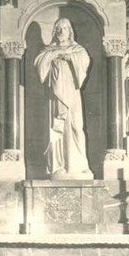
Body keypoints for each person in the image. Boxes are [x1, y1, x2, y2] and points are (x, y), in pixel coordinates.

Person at [33, 18, 93, 179]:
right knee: (56, 129)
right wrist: (55, 53)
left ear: (70, 31)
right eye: (58, 28)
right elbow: (39, 64)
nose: (61, 31)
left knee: (75, 126)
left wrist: (66, 56)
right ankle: (57, 166)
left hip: (72, 93)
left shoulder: (77, 49)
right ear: (54, 31)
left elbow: (84, 61)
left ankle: (78, 165)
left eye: (65, 28)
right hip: (55, 96)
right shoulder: (48, 50)